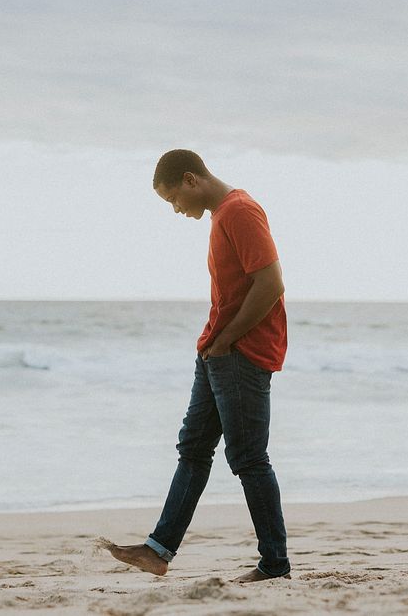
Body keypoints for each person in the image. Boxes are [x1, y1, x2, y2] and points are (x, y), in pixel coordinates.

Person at [103, 149, 291, 582]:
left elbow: (271, 284)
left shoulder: (239, 211)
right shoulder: (222, 215)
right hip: (217, 352)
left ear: (191, 180)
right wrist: (214, 343)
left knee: (248, 459)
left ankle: (275, 565)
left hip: (240, 353)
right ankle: (158, 550)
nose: (175, 210)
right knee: (193, 448)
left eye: (173, 199)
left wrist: (226, 340)